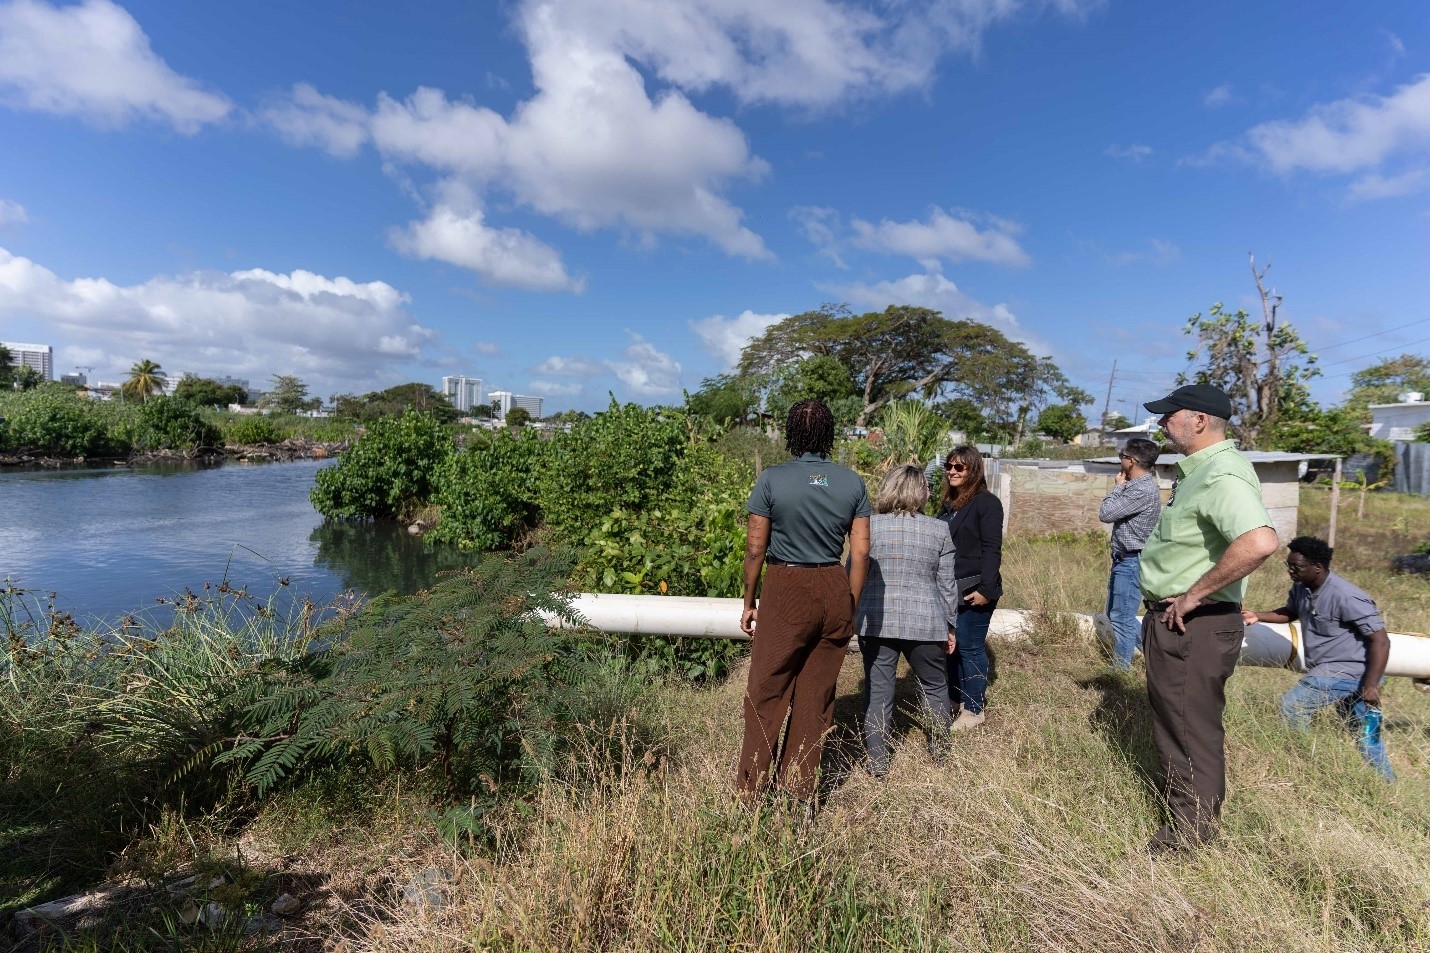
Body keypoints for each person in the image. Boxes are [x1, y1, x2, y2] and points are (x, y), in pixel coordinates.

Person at [1138, 383, 1279, 853]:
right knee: (1179, 722)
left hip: (1192, 625)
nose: (1161, 423)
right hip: (1179, 623)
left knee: (1188, 726)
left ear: (1199, 420)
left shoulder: (1222, 473)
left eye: (1168, 415)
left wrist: (1193, 594)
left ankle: (1189, 836)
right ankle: (1189, 824)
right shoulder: (1198, 473)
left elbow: (1258, 541)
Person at [737, 400, 871, 808]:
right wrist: (848, 602)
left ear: (792, 435)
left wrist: (749, 600)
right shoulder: (852, 483)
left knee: (767, 689)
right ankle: (797, 795)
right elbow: (861, 554)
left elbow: (755, 547)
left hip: (786, 584)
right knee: (817, 697)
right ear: (829, 435)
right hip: (833, 582)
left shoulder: (772, 480)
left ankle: (751, 794)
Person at [1241, 536, 1395, 781]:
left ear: (1318, 568)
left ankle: (1303, 766)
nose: (1291, 570)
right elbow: (1290, 612)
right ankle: (1388, 784)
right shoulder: (1303, 587)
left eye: (1296, 567)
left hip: (1348, 671)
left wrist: (1372, 685)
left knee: (1293, 706)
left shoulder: (1347, 596)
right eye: (1288, 565)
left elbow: (1381, 640)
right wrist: (1258, 615)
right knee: (1365, 735)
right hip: (1335, 671)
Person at [854, 465, 960, 777]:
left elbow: (853, 572)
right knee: (935, 687)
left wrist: (852, 614)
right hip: (926, 621)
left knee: (878, 692)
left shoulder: (867, 526)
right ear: (922, 492)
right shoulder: (939, 529)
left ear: (888, 489)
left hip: (876, 622)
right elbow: (947, 584)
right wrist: (950, 624)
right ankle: (940, 752)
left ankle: (878, 763)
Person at [936, 446, 1004, 731]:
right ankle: (954, 699)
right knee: (950, 647)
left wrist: (986, 589)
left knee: (970, 647)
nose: (952, 471)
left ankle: (974, 709)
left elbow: (992, 549)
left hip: (975, 589)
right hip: (949, 590)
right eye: (949, 466)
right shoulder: (949, 505)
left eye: (959, 467)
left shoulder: (986, 503)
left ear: (972, 470)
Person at [1098, 437, 1162, 669]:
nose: (1120, 460)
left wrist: (1117, 488)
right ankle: (1156, 657)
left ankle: (1121, 669)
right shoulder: (1138, 487)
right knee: (1116, 615)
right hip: (1125, 558)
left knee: (1122, 618)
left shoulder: (1141, 490)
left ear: (1131, 461)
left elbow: (1106, 513)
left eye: (1121, 456)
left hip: (1132, 560)